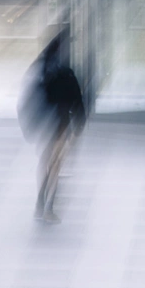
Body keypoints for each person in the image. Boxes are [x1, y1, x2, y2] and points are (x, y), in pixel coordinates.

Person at [32, 31, 86, 223]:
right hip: (60, 127)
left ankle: (40, 203)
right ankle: (48, 208)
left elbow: (33, 100)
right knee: (55, 167)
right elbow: (77, 102)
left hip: (45, 127)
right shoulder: (67, 74)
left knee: (46, 164)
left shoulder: (43, 71)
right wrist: (79, 125)